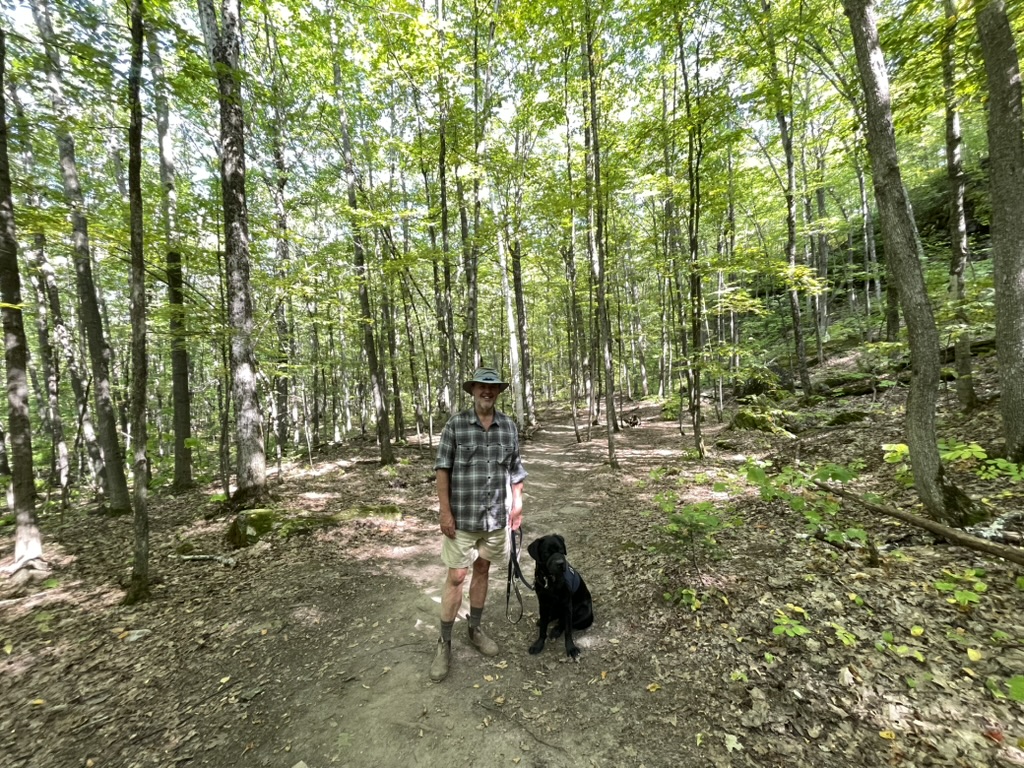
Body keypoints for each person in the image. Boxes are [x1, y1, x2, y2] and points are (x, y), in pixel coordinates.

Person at [429, 367, 527, 682]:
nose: (487, 392)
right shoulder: (456, 426)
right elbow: (442, 471)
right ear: (472, 390)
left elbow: (515, 471)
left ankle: (474, 628)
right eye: (482, 387)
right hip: (463, 519)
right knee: (456, 577)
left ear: (498, 392)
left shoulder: (508, 427)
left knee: (483, 571)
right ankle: (444, 643)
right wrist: (445, 512)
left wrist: (518, 507)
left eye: (493, 387)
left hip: (496, 518)